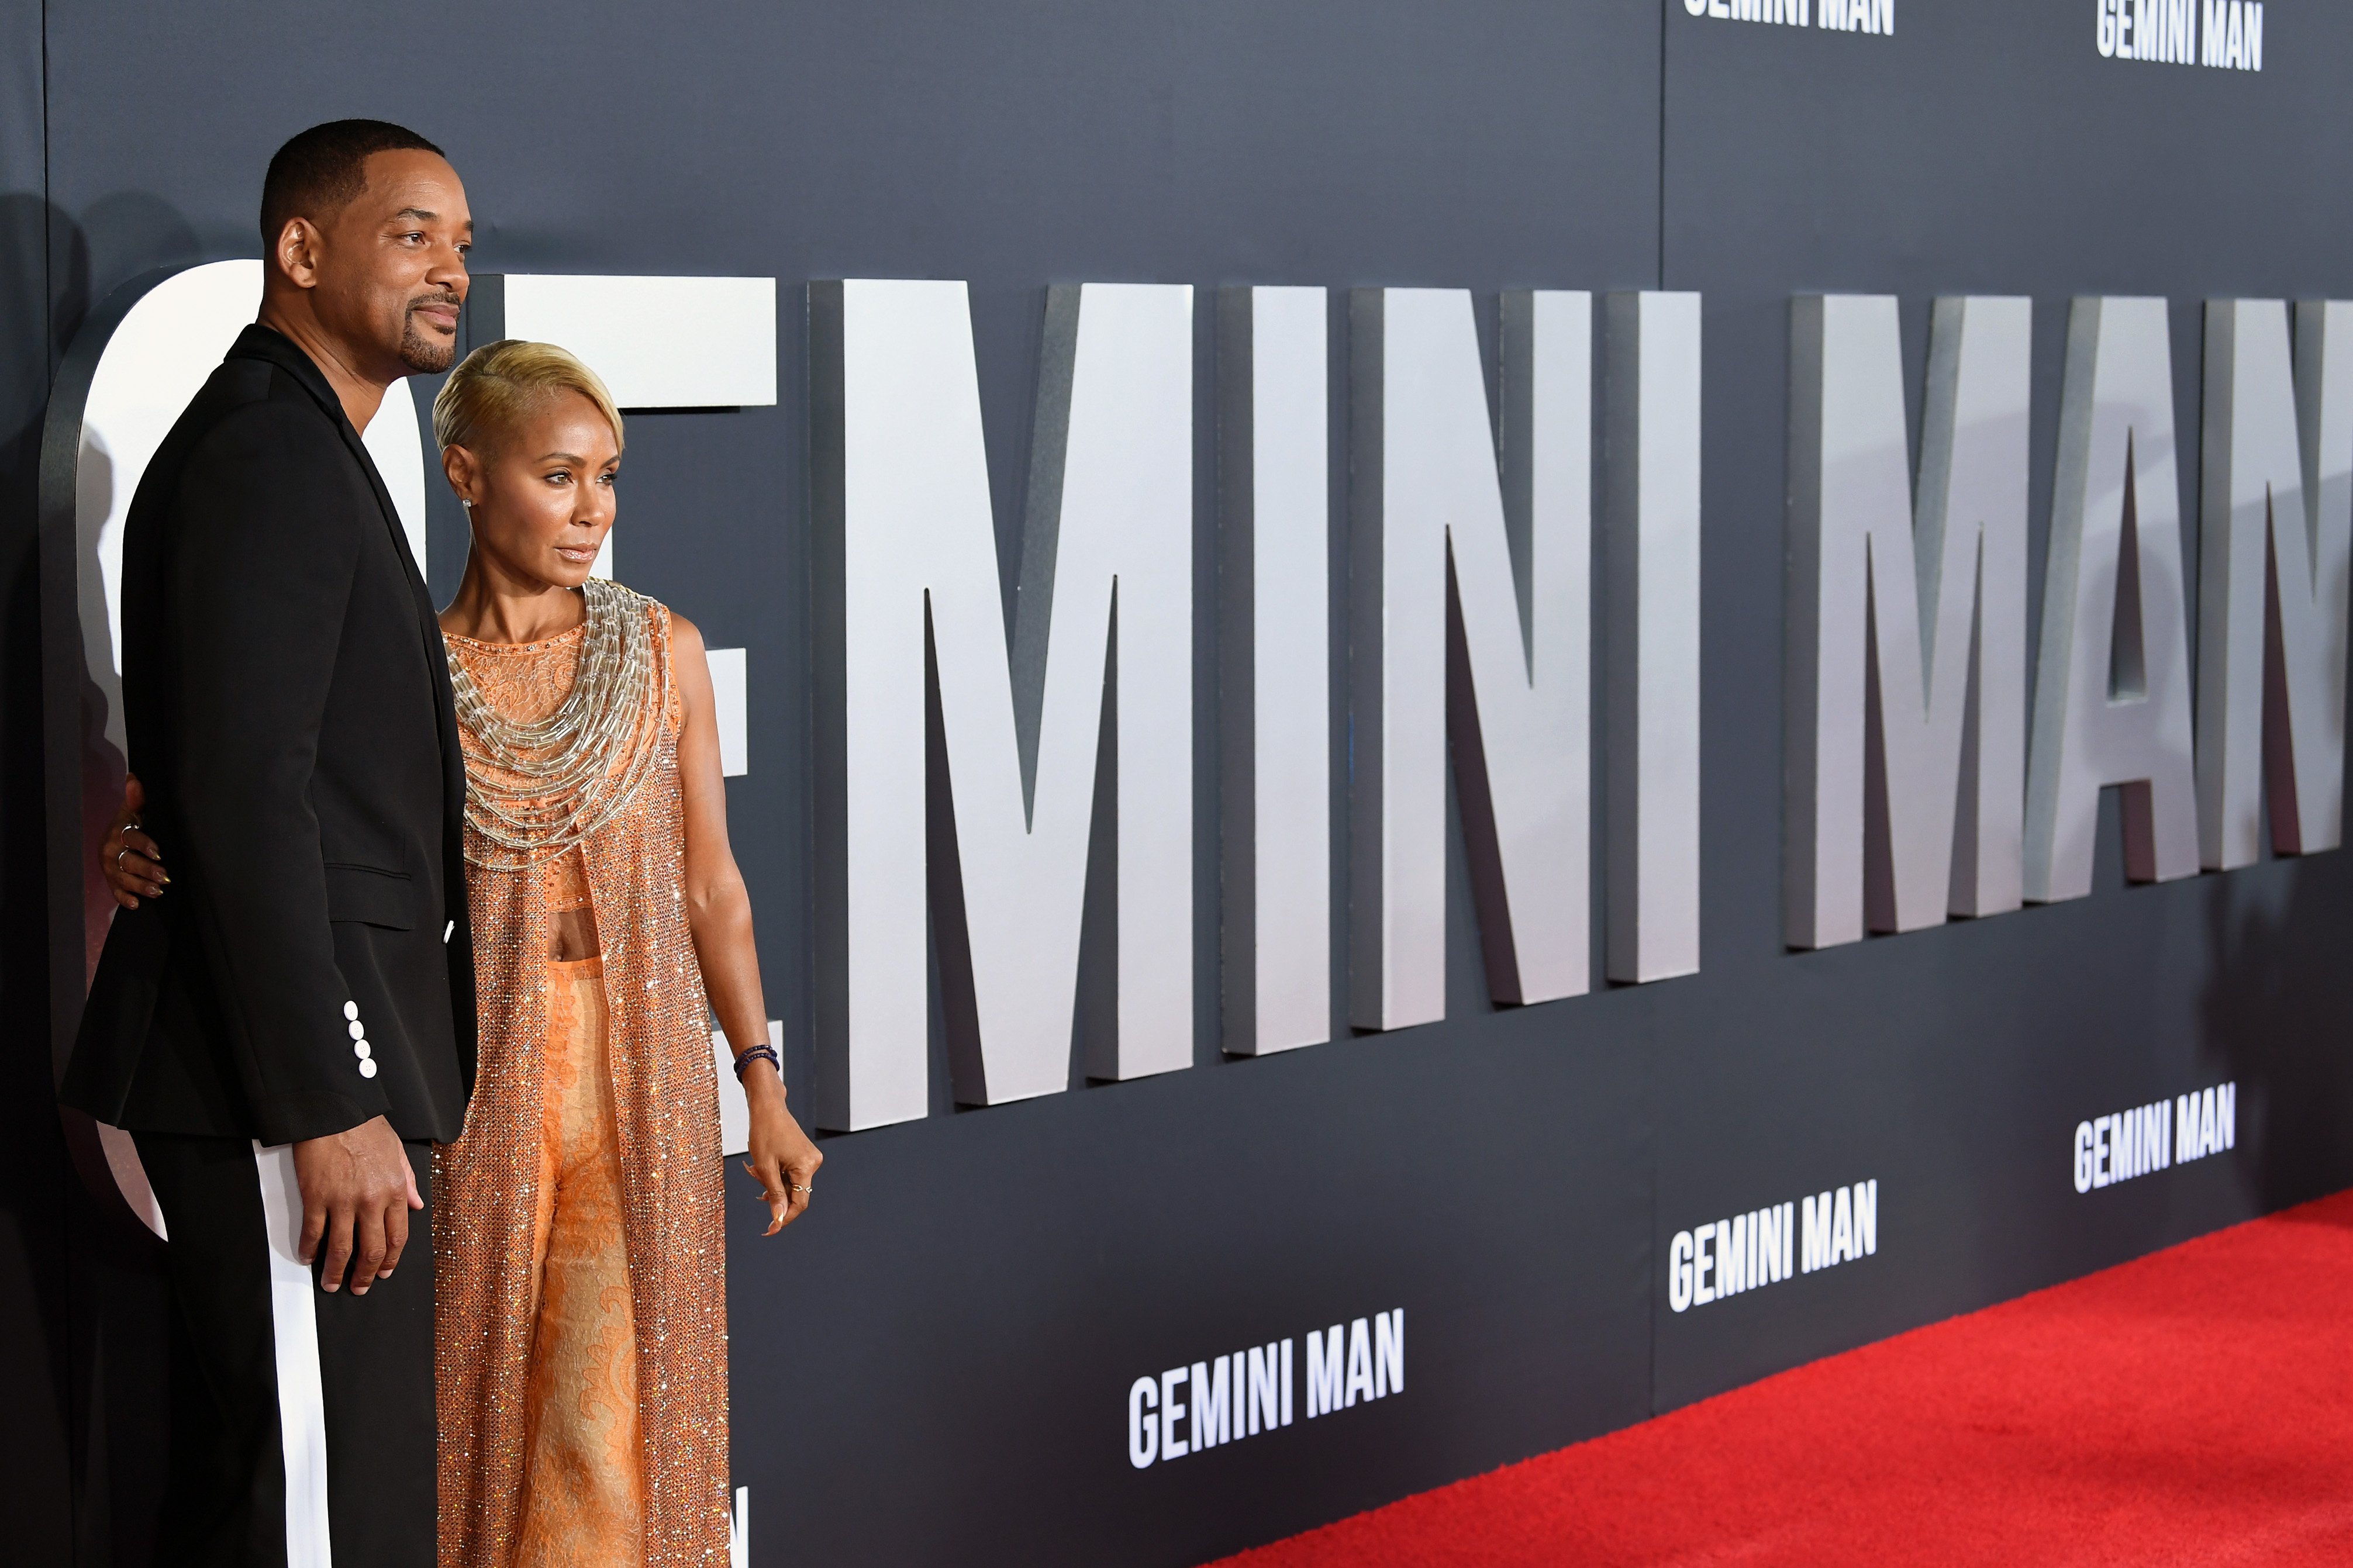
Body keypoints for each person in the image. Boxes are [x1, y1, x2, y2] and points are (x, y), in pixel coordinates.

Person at [105, 338, 823, 1568]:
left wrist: (759, 1078)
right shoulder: (407, 667)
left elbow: (714, 886)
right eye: (559, 474)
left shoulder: (663, 651)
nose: (592, 508)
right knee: (475, 1407)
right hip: (472, 1069)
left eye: (607, 476)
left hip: (639, 1071)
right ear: (465, 474)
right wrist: (137, 839)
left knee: (600, 1420)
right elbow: (254, 797)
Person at [63, 119, 478, 1567]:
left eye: (463, 246)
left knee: (303, 1490)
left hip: (294, 1068)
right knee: (318, 1507)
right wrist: (327, 1100)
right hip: (276, 1087)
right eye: (413, 233)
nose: (451, 272)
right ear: (300, 251)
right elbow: (250, 799)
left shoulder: (307, 447)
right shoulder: (264, 455)